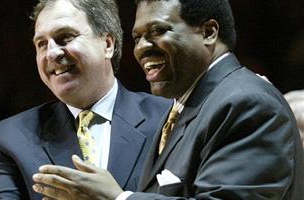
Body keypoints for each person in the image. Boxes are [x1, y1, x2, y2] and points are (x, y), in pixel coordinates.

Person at [32, 0, 304, 199]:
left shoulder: (246, 102)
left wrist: (118, 199)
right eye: (137, 38)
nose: (141, 49)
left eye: (157, 32)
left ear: (208, 32)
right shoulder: (183, 107)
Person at [0, 0, 172, 199]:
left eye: (65, 37)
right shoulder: (7, 140)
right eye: (42, 44)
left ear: (107, 44)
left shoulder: (171, 119)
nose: (51, 53)